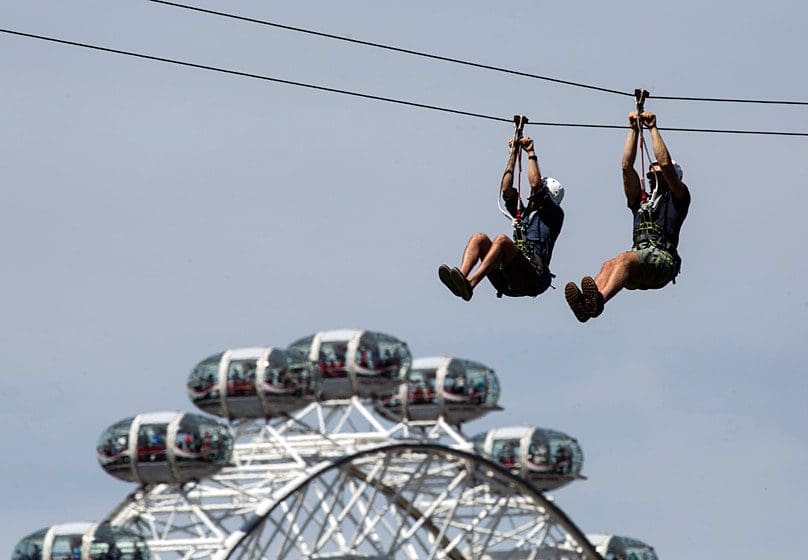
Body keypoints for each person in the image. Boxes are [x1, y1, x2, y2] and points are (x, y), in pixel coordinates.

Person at [564, 111, 691, 322]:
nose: (651, 179)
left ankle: (599, 300)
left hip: (662, 261)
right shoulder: (642, 201)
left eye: (655, 175)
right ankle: (587, 305)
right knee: (609, 264)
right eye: (650, 176)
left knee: (623, 259)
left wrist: (652, 128)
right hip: (640, 263)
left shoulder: (677, 197)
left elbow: (666, 164)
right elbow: (626, 167)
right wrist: (633, 130)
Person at [438, 135, 564, 301]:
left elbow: (535, 184)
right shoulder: (525, 214)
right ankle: (460, 279)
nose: (531, 194)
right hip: (509, 277)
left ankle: (471, 283)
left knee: (502, 240)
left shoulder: (554, 215)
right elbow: (506, 190)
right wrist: (513, 155)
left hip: (533, 278)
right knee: (479, 238)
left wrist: (531, 152)